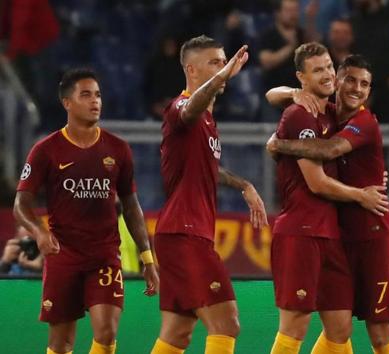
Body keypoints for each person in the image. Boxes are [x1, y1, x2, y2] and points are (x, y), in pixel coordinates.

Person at [13, 68, 159, 354]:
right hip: (63, 256)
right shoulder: (46, 150)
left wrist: (147, 257)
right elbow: (21, 203)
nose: (96, 101)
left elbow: (131, 205)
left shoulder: (118, 149)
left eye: (98, 95)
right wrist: (38, 231)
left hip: (104, 256)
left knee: (106, 332)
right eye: (86, 95)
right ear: (67, 103)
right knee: (61, 343)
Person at [266, 54, 389, 353]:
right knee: (338, 327)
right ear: (337, 80)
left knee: (379, 330)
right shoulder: (325, 113)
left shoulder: (364, 121)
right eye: (351, 80)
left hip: (374, 236)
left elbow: (328, 151)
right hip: (341, 236)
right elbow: (271, 95)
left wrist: (277, 144)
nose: (357, 89)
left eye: (365, 84)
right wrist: (293, 92)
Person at [150, 36, 268, 354]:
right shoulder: (180, 107)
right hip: (184, 233)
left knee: (177, 333)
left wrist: (244, 185)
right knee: (226, 324)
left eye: (224, 61)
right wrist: (224, 75)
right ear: (191, 69)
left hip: (183, 234)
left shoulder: (208, 122)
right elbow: (188, 110)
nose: (223, 67)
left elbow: (208, 170)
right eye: (214, 62)